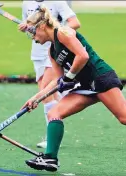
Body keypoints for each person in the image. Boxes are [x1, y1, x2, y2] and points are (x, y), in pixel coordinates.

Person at [20, 5, 126, 172]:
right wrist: (37, 98)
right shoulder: (52, 50)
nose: (33, 37)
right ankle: (50, 158)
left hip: (100, 79)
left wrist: (68, 77)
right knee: (54, 113)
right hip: (84, 86)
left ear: (41, 26)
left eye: (33, 32)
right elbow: (56, 79)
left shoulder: (63, 33)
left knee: (124, 118)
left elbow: (82, 56)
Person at [20, 0, 81, 148]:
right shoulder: (26, 3)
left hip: (55, 51)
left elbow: (75, 23)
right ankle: (60, 107)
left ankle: (51, 137)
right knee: (49, 93)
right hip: (38, 52)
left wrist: (55, 31)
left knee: (45, 92)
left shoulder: (58, 2)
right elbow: (30, 27)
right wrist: (26, 27)